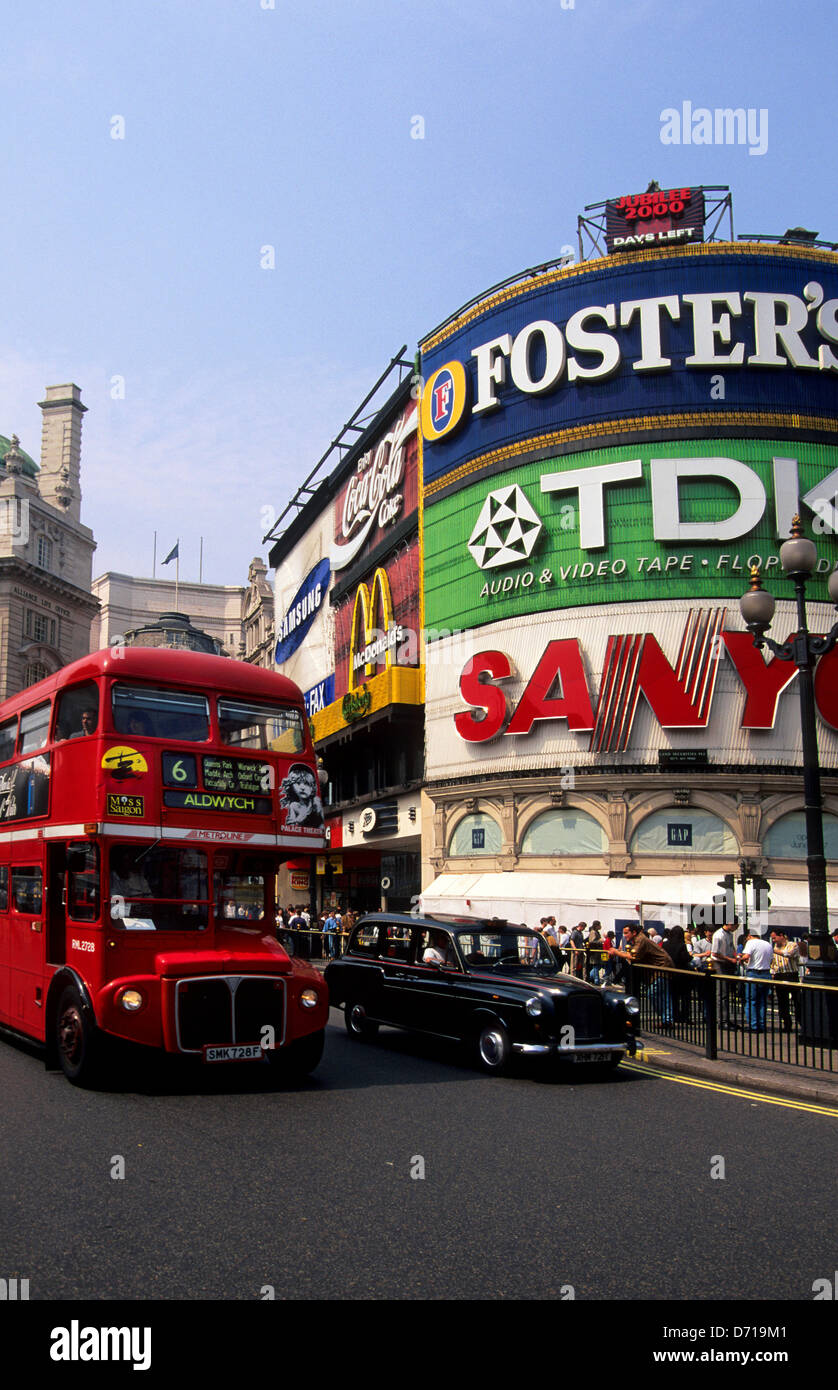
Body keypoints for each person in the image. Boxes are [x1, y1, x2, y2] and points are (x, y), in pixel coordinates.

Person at [607, 923, 674, 1023]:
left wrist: (616, 952)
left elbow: (634, 956)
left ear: (634, 932)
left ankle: (667, 1019)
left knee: (654, 993)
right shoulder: (637, 940)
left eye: (626, 933)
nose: (625, 935)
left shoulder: (641, 940)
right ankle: (667, 1019)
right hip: (659, 968)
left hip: (661, 968)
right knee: (663, 995)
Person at [739, 928, 773, 1032]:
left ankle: (753, 1026)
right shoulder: (768, 944)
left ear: (749, 936)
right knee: (762, 1001)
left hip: (754, 973)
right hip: (766, 973)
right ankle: (761, 1025)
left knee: (751, 1001)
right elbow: (771, 960)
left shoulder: (751, 942)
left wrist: (739, 959)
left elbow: (746, 956)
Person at [710, 918, 739, 1025]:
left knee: (726, 993)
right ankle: (721, 1020)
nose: (737, 928)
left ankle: (726, 1018)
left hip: (727, 963)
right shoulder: (718, 935)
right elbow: (715, 953)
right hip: (720, 964)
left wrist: (735, 956)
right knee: (722, 993)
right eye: (736, 926)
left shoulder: (729, 934)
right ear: (731, 924)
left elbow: (732, 947)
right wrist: (730, 959)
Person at [770, 929, 801, 1032]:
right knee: (782, 1002)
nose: (773, 940)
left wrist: (774, 951)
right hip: (780, 975)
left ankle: (801, 1022)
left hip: (791, 975)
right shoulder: (775, 948)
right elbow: (773, 964)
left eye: (775, 938)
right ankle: (787, 1024)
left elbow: (789, 954)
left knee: (797, 1000)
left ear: (781, 936)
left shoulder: (793, 945)